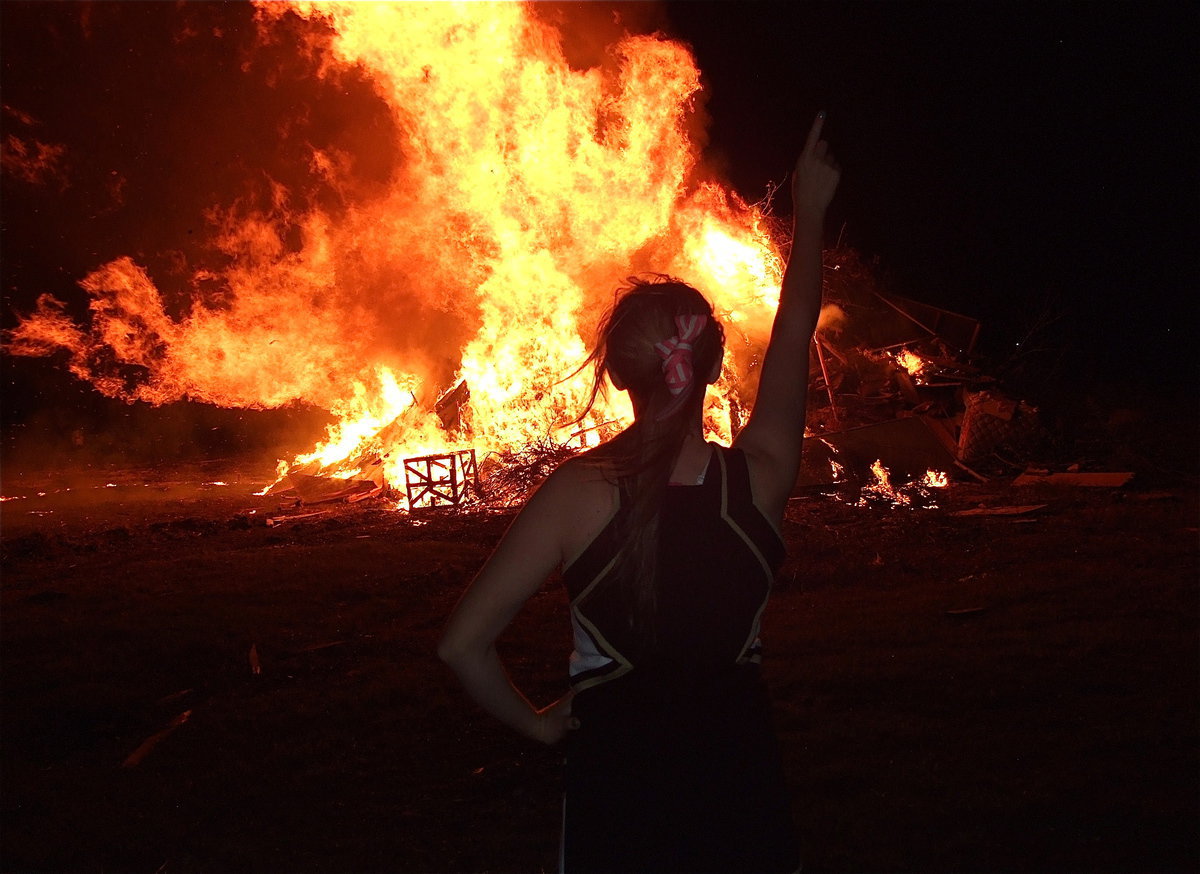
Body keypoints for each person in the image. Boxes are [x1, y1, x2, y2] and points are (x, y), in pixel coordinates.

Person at [438, 112, 840, 873]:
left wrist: (540, 725)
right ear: (713, 369)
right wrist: (810, 214)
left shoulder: (576, 495)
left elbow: (461, 646)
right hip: (741, 791)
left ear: (619, 373)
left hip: (619, 800)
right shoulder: (759, 479)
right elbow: (794, 331)